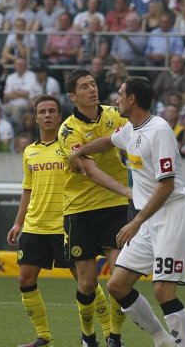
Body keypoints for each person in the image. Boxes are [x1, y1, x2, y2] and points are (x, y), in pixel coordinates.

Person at [68, 76, 185, 347]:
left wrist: (136, 221)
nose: (116, 99)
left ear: (132, 99)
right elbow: (106, 142)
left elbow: (167, 185)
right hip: (147, 220)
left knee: (163, 290)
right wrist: (77, 152)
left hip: (170, 216)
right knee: (117, 285)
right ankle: (162, 340)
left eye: (121, 94)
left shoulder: (159, 130)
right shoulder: (131, 129)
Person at [6, 95, 111, 347]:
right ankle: (43, 336)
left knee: (87, 282)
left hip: (68, 224)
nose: (47, 115)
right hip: (35, 225)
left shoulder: (70, 145)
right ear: (35, 117)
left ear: (59, 116)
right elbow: (27, 189)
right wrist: (18, 223)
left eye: (52, 111)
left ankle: (109, 333)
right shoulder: (29, 151)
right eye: (42, 111)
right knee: (25, 279)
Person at [58, 69, 132, 347]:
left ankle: (115, 335)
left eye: (93, 84)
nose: (92, 89)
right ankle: (88, 336)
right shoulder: (68, 130)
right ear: (72, 96)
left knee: (120, 277)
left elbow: (139, 133)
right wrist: (128, 190)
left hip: (114, 207)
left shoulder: (114, 115)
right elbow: (88, 169)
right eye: (84, 86)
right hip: (81, 209)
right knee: (87, 283)